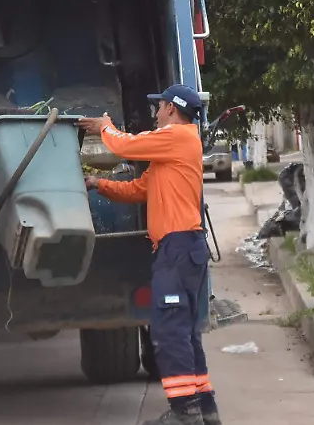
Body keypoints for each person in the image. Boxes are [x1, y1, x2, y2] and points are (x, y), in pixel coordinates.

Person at [78, 84, 220, 425]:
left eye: (158, 106)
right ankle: (204, 410)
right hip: (184, 249)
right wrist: (99, 185)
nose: (154, 113)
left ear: (172, 108)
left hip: (178, 248)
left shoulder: (176, 136)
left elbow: (125, 145)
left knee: (170, 331)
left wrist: (105, 127)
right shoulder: (173, 149)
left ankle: (184, 412)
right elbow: (140, 189)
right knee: (185, 332)